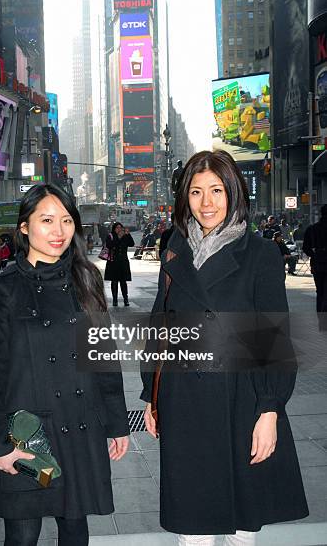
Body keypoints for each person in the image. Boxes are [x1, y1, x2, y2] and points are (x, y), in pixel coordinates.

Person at [141, 150, 308, 544]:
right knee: (192, 530)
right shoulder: (175, 251)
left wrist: (270, 409)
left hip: (240, 401)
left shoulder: (260, 254)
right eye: (196, 192)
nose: (207, 202)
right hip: (184, 403)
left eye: (216, 190)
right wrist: (152, 394)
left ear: (233, 192)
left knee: (239, 529)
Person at [0, 184, 130, 546]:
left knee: (75, 530)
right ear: (24, 227)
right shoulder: (3, 287)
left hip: (77, 426)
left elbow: (103, 355)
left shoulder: (86, 278)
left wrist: (117, 423)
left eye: (67, 220)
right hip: (27, 435)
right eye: (47, 220)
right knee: (23, 534)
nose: (59, 232)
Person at [303, 204, 327, 330]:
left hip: (318, 264)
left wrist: (316, 254)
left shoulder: (312, 229)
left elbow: (305, 248)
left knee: (320, 292)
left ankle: (322, 322)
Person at [104, 222, 135, 306]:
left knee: (123, 281)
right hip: (113, 262)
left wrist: (128, 235)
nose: (119, 229)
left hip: (123, 262)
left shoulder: (125, 236)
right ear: (114, 229)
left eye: (120, 227)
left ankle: (126, 299)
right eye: (117, 227)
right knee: (114, 281)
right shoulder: (110, 236)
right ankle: (115, 300)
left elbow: (132, 244)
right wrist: (118, 238)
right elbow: (109, 245)